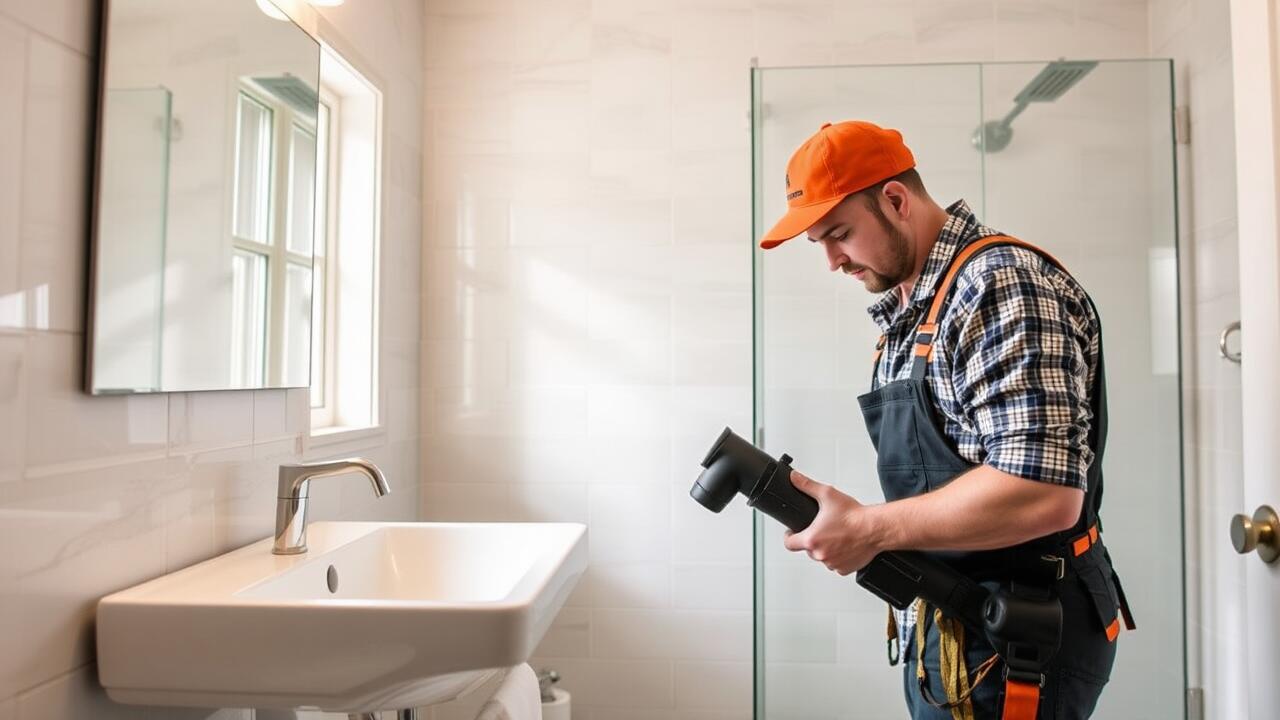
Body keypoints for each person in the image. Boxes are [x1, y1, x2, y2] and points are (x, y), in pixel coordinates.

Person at [760, 120, 1134, 720]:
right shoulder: (913, 309)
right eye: (819, 244)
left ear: (896, 200)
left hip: (1021, 629)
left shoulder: (996, 284)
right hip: (961, 620)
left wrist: (869, 528)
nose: (832, 260)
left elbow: (1043, 492)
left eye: (840, 234)